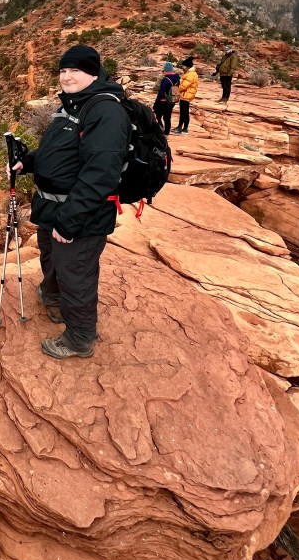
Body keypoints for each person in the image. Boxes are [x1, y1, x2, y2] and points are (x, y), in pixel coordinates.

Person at [12, 44, 131, 360]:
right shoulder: (72, 105)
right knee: (52, 256)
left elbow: (100, 175)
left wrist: (70, 221)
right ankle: (53, 296)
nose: (66, 76)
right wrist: (28, 162)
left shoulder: (106, 112)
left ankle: (80, 338)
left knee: (75, 273)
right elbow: (56, 152)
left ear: (93, 72)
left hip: (81, 215)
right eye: (63, 70)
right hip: (53, 207)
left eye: (75, 70)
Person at [152, 62, 180, 136]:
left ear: (165, 70)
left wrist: (156, 103)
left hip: (163, 101)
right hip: (172, 100)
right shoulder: (177, 78)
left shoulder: (165, 80)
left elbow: (161, 93)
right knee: (167, 118)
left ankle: (160, 130)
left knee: (157, 115)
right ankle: (166, 133)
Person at [172, 56, 198, 134]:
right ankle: (179, 127)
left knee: (185, 113)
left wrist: (175, 89)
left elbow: (184, 86)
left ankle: (185, 129)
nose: (182, 67)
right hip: (184, 95)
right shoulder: (189, 73)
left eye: (183, 66)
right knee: (183, 112)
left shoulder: (191, 74)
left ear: (187, 66)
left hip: (186, 95)